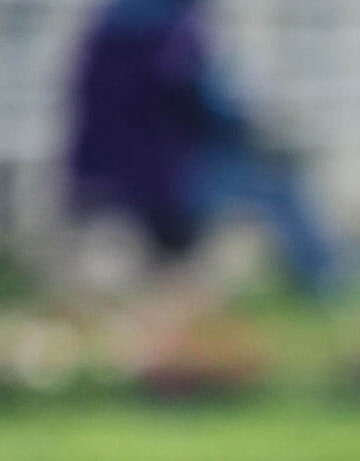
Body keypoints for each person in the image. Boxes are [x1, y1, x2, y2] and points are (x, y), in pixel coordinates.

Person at [67, 0, 341, 296]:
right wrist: (263, 127)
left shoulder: (108, 30)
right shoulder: (172, 34)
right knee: (279, 186)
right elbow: (216, 107)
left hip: (102, 176)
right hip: (169, 179)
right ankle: (327, 285)